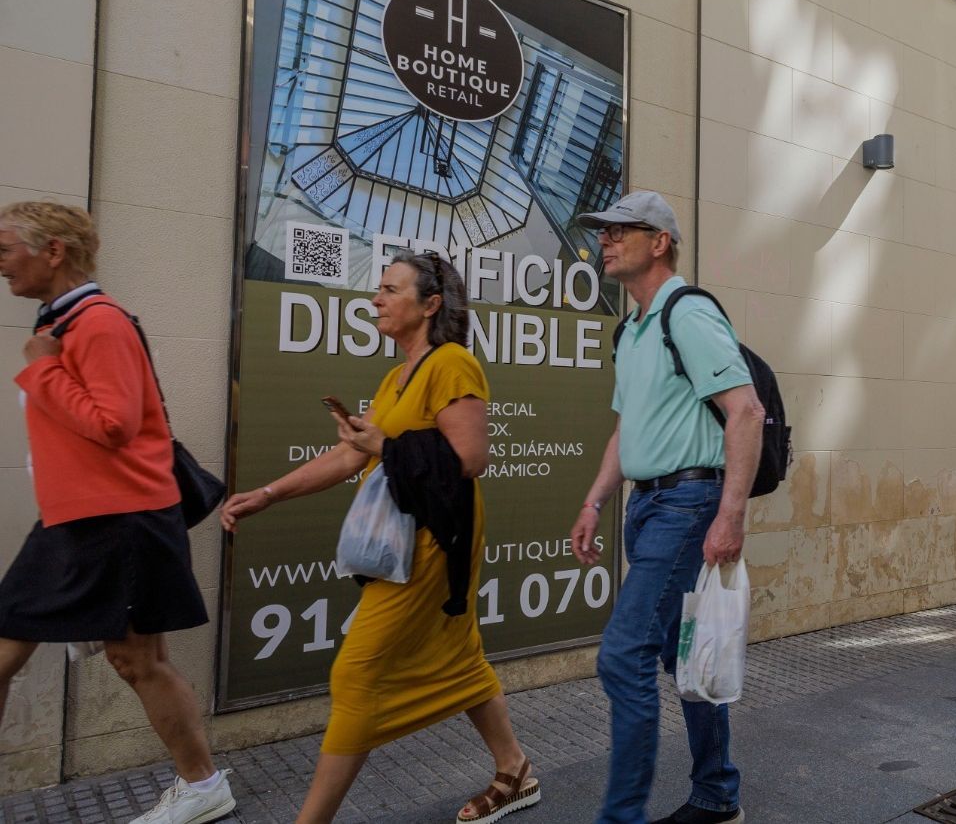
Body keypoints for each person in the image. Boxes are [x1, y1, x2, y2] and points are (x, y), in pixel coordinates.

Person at [221, 250, 537, 824]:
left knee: (357, 672)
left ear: (429, 305)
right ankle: (514, 769)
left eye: (391, 290)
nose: (376, 300)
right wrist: (268, 495)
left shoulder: (452, 363)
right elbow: (348, 457)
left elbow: (470, 458)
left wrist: (383, 448)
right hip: (410, 535)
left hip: (435, 540)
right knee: (460, 658)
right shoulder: (397, 377)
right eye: (379, 289)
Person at [0, 201, 234, 824]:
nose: (2, 263)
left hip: (118, 519)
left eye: (7, 247)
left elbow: (112, 425)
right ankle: (204, 785)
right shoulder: (67, 325)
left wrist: (44, 370)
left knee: (138, 661)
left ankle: (204, 785)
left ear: (53, 251)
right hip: (78, 520)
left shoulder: (97, 324)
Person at [569, 191, 764, 824]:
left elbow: (746, 411)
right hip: (647, 507)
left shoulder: (688, 312)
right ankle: (717, 794)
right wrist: (595, 500)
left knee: (621, 654)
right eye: (603, 231)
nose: (606, 240)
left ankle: (620, 817)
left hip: (687, 502)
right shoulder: (631, 329)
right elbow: (628, 430)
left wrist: (729, 514)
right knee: (681, 657)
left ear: (660, 243)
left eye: (622, 230)